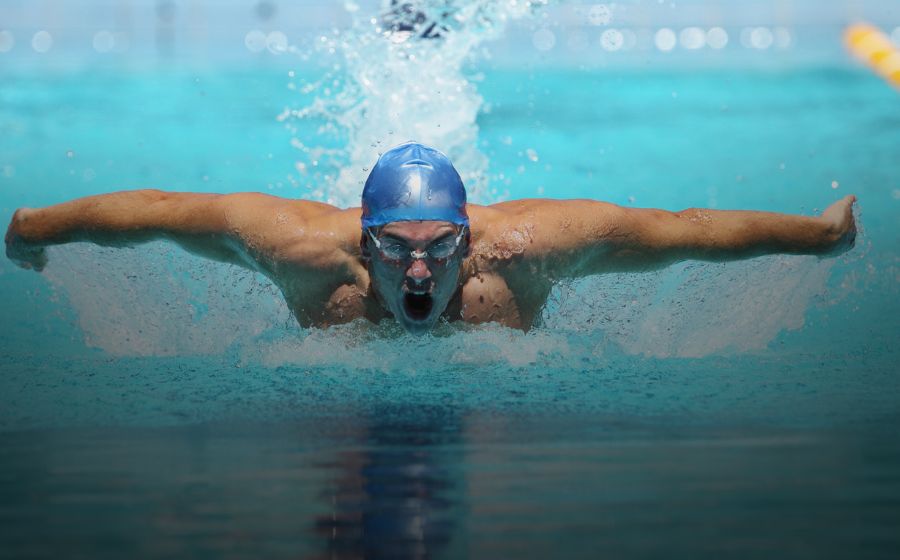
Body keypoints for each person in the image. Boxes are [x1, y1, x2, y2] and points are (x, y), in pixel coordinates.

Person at [5, 141, 857, 335]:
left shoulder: (527, 252)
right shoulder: (305, 251)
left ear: (471, 237)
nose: (419, 267)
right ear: (363, 240)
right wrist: (33, 230)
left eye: (440, 246)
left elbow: (684, 232)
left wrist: (818, 239)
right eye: (396, 246)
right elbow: (158, 208)